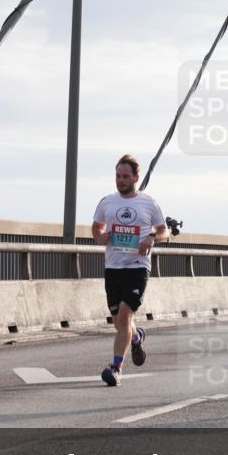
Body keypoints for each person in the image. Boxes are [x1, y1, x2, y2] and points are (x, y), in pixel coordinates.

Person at [92, 154, 168, 386]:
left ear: (136, 177)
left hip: (137, 268)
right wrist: (99, 237)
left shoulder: (148, 203)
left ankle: (116, 368)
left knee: (125, 316)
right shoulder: (107, 202)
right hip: (113, 268)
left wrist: (152, 238)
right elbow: (96, 227)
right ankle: (136, 337)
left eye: (126, 176)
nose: (121, 180)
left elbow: (164, 231)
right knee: (119, 323)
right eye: (118, 176)